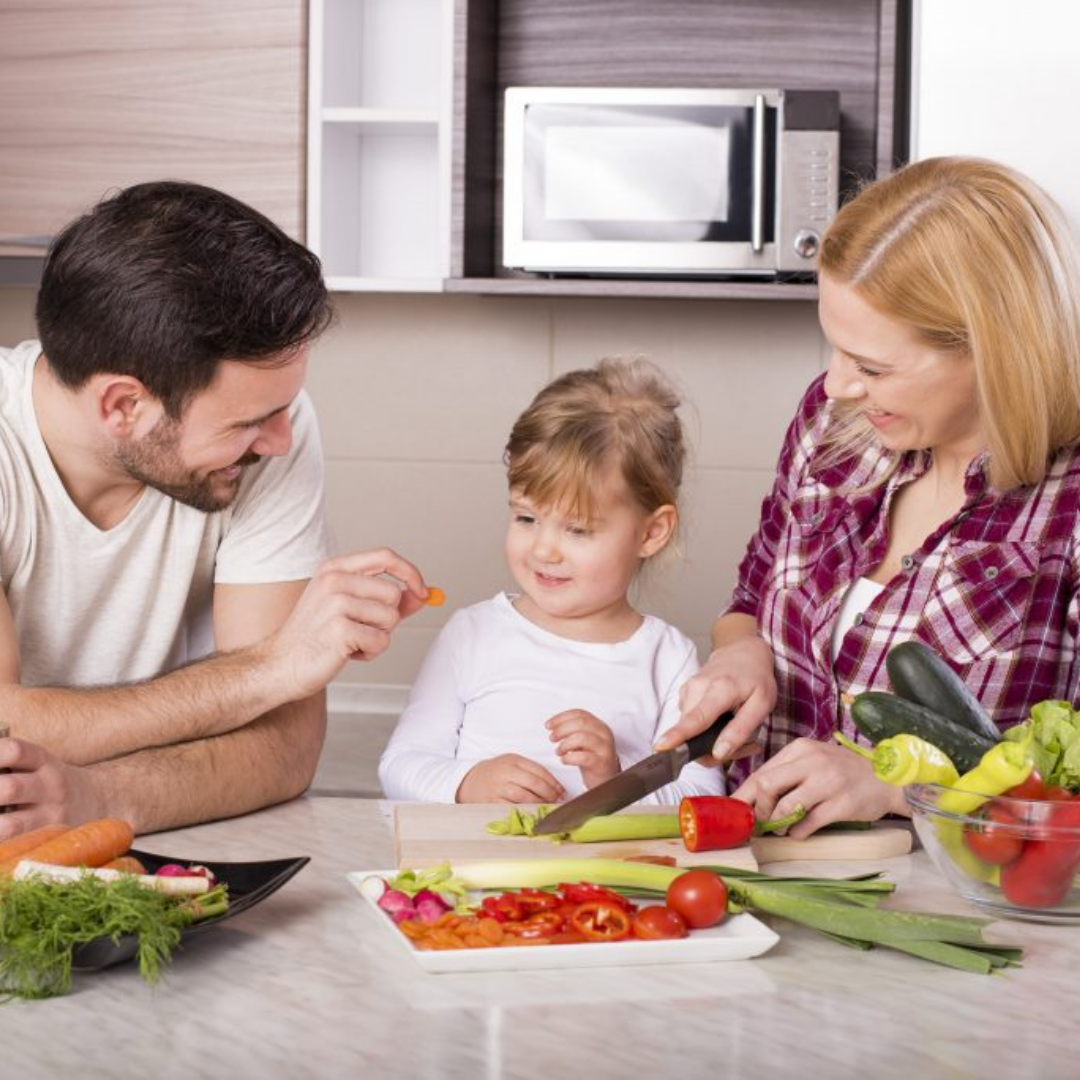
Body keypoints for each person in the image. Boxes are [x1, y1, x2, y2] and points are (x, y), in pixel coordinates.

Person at [659, 156, 1080, 836]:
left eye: (872, 366)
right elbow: (753, 590)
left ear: (992, 351)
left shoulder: (1065, 505)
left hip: (950, 909)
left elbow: (1068, 784)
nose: (836, 386)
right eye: (834, 349)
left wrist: (898, 784)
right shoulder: (834, 428)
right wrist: (742, 651)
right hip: (752, 868)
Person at [0, 180, 433, 839]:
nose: (282, 440)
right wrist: (267, 670)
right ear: (123, 406)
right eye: (252, 422)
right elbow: (8, 735)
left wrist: (97, 796)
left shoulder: (267, 430)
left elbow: (284, 750)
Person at [379, 357, 724, 804]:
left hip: (600, 876)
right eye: (526, 517)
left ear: (651, 532)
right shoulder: (473, 634)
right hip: (472, 871)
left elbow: (699, 798)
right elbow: (400, 765)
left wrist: (615, 782)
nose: (543, 550)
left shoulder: (668, 659)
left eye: (577, 529)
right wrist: (468, 784)